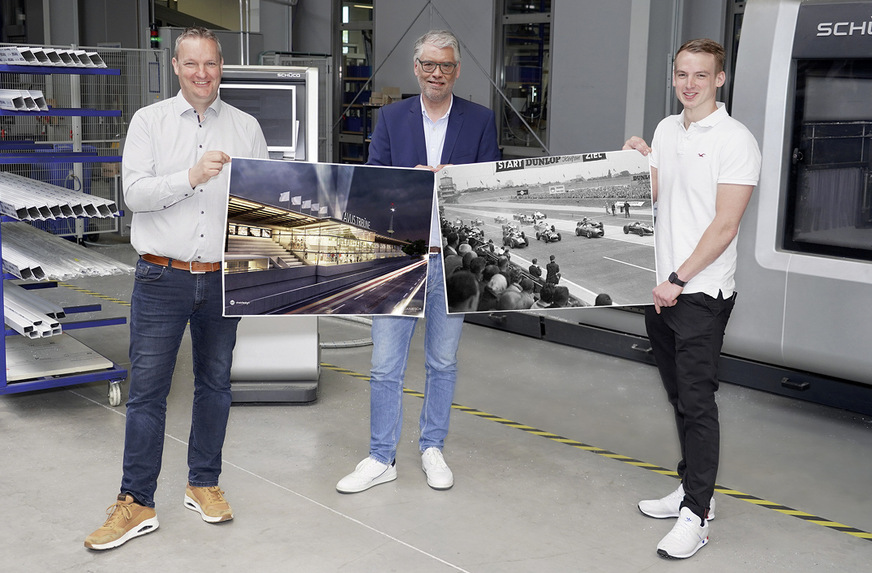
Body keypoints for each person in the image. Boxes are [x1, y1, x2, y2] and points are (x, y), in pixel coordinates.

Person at [84, 27, 269, 551]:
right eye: (192, 64)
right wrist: (191, 176)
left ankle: (203, 483)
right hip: (161, 276)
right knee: (148, 392)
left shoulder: (247, 127)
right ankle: (136, 502)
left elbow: (264, 205)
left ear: (221, 66)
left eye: (210, 63)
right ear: (175, 67)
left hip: (223, 278)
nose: (202, 74)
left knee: (215, 385)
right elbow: (135, 195)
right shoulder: (150, 122)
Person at [336, 30, 500, 494]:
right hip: (398, 257)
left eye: (445, 65)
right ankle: (380, 457)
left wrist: (455, 181)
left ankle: (432, 448)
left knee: (442, 362)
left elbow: (490, 186)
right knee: (384, 365)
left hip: (451, 261)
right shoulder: (391, 118)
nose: (436, 73)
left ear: (457, 71)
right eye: (429, 64)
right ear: (416, 68)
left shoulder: (480, 120)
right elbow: (371, 185)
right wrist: (406, 181)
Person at [623, 38, 761, 560]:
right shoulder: (666, 129)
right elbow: (653, 193)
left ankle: (697, 516)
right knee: (679, 397)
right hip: (661, 288)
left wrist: (679, 278)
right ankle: (690, 489)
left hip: (699, 291)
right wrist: (636, 164)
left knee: (699, 403)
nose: (689, 84)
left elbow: (725, 225)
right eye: (682, 73)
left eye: (701, 75)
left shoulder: (736, 140)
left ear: (719, 79)